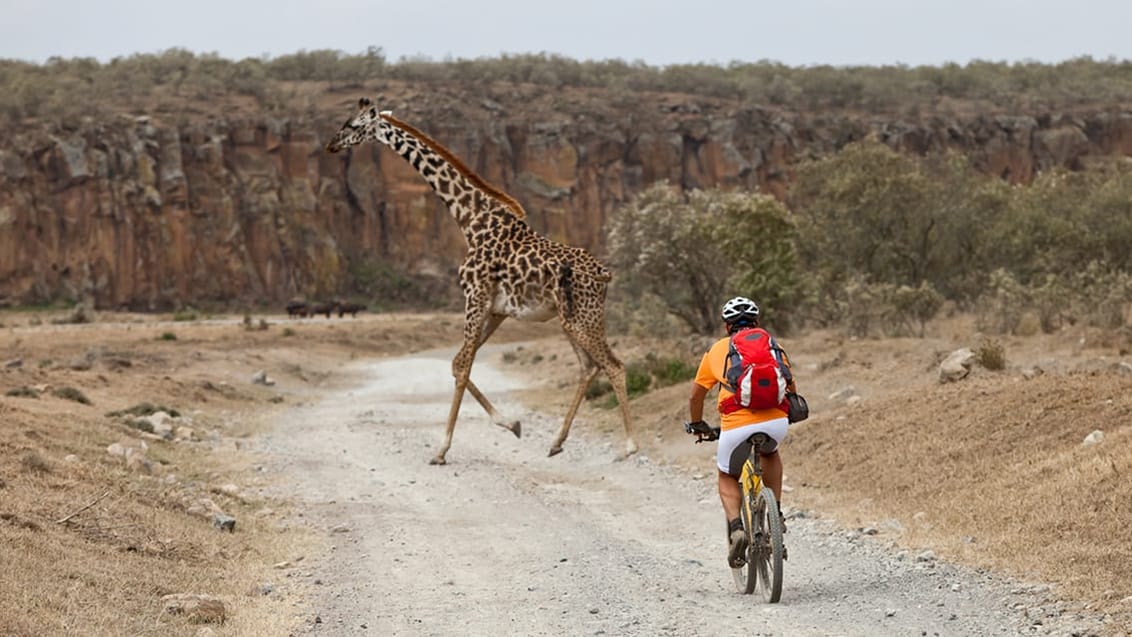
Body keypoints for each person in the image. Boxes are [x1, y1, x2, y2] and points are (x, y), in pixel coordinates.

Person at [686, 296, 795, 567]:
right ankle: (776, 514)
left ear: (727, 327)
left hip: (736, 426)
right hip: (775, 422)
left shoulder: (717, 351)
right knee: (771, 454)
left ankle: (736, 528)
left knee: (727, 474)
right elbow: (791, 387)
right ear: (757, 323)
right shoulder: (773, 345)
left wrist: (698, 423)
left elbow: (696, 397)